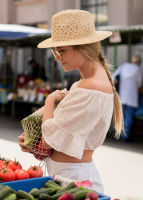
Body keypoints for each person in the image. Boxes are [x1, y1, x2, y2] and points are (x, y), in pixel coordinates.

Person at [18, 10, 124, 194]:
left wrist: (51, 100)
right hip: (70, 174)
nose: (57, 57)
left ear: (82, 47)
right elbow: (60, 136)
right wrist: (31, 140)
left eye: (62, 50)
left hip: (74, 178)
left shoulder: (91, 87)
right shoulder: (85, 84)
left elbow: (48, 140)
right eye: (56, 51)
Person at [112, 55, 142, 140]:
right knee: (128, 117)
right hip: (132, 97)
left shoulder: (123, 66)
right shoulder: (139, 69)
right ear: (139, 62)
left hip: (121, 96)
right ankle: (125, 136)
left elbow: (113, 77)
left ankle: (118, 134)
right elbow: (139, 83)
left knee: (121, 116)